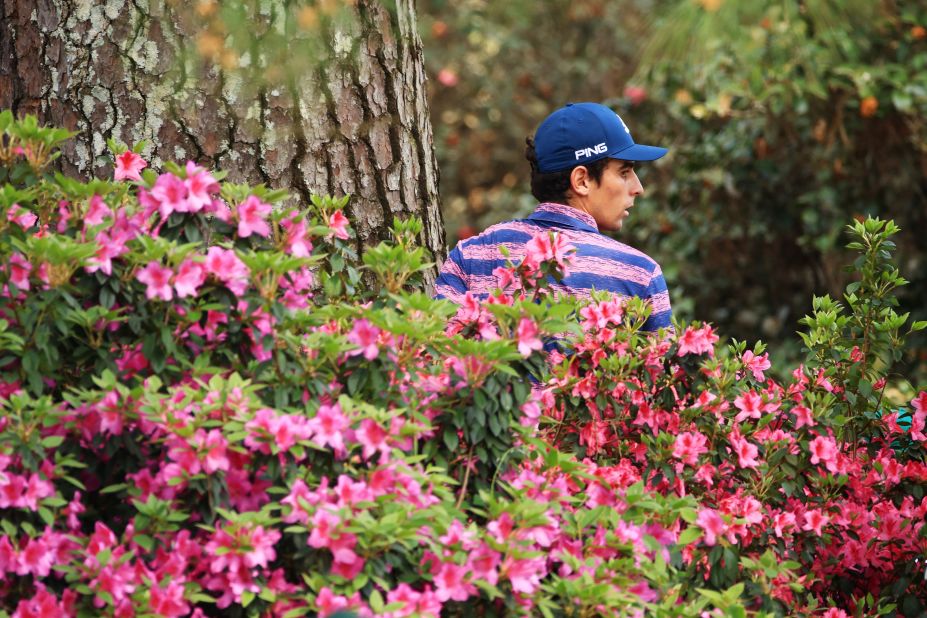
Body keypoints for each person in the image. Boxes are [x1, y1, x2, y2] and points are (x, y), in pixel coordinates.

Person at [434, 102, 673, 332]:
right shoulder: (639, 273)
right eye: (624, 172)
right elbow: (662, 371)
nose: (638, 187)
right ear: (582, 180)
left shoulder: (472, 254)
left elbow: (436, 357)